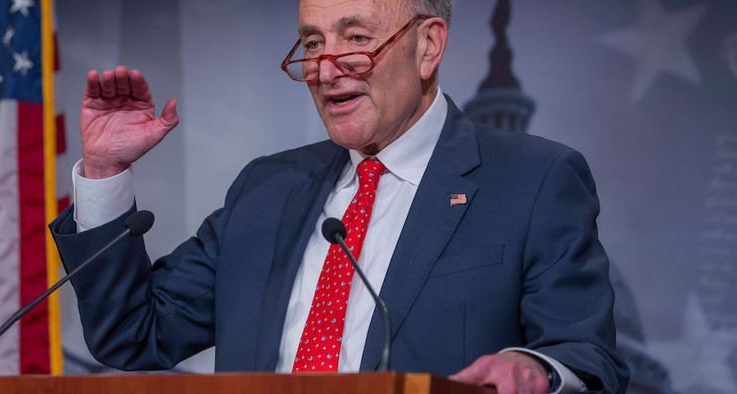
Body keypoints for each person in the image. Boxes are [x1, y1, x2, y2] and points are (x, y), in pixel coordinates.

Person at [49, 0, 629, 392]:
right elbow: (133, 334)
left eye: (356, 39)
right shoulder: (266, 189)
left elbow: (589, 356)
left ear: (428, 46)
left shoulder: (534, 180)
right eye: (311, 43)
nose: (326, 70)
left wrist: (533, 369)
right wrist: (103, 171)